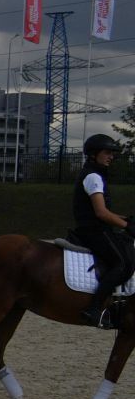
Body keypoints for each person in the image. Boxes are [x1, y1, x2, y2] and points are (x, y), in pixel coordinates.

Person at [70, 134, 132, 329]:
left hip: (96, 228)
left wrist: (126, 220)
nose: (111, 156)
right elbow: (101, 213)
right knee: (122, 264)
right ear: (93, 154)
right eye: (107, 152)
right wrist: (128, 227)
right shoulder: (93, 177)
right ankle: (94, 309)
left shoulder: (95, 174)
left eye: (112, 153)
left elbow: (107, 213)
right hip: (94, 230)